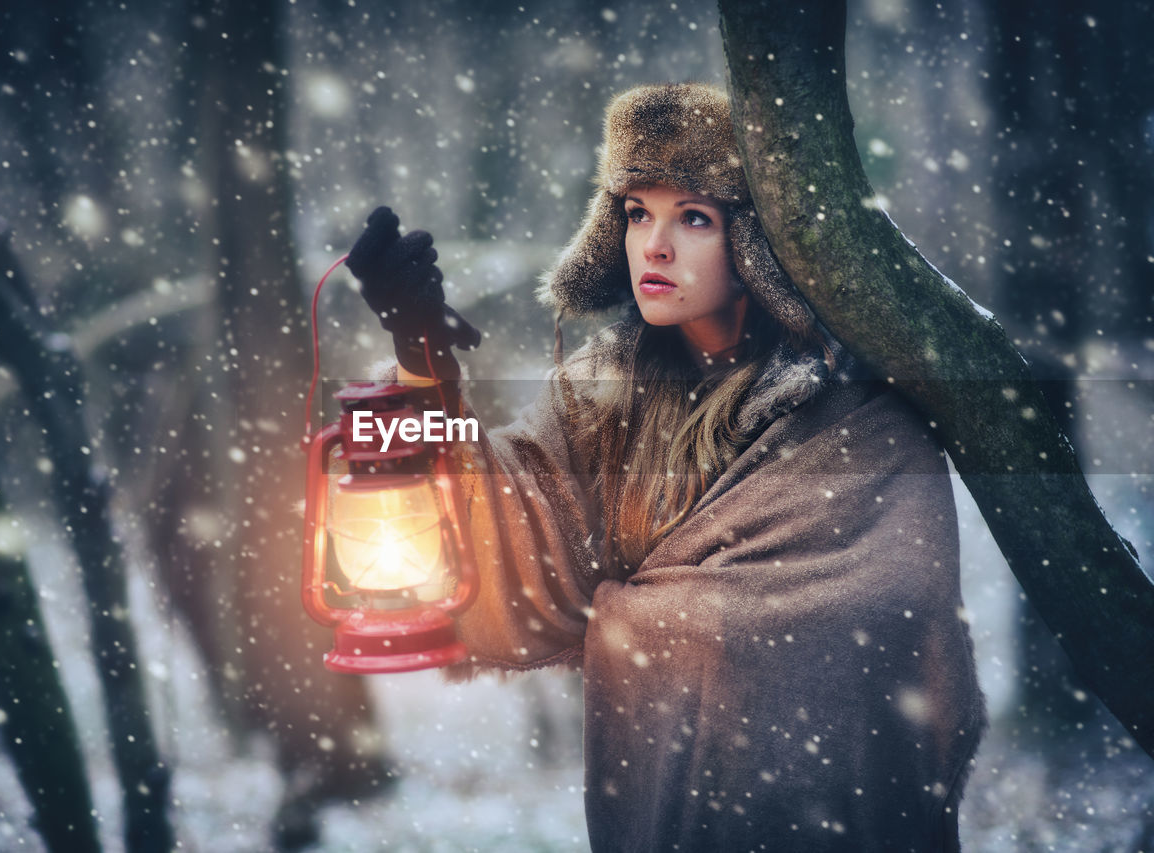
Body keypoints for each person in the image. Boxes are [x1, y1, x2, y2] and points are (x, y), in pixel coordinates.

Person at [345, 83, 985, 852]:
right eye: (638, 211)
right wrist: (423, 353)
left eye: (693, 218)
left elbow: (886, 624)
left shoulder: (855, 413)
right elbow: (508, 529)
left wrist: (638, 617)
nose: (654, 244)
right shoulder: (599, 394)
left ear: (751, 239)